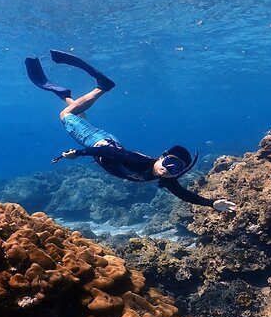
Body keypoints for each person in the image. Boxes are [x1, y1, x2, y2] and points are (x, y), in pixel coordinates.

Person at [24, 50, 237, 212]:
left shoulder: (164, 176)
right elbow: (109, 154)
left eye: (174, 169)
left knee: (77, 115)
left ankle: (64, 94)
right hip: (97, 143)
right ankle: (103, 86)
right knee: (66, 116)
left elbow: (184, 195)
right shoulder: (140, 162)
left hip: (106, 142)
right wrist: (77, 154)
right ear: (162, 157)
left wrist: (212, 204)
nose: (168, 170)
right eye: (168, 163)